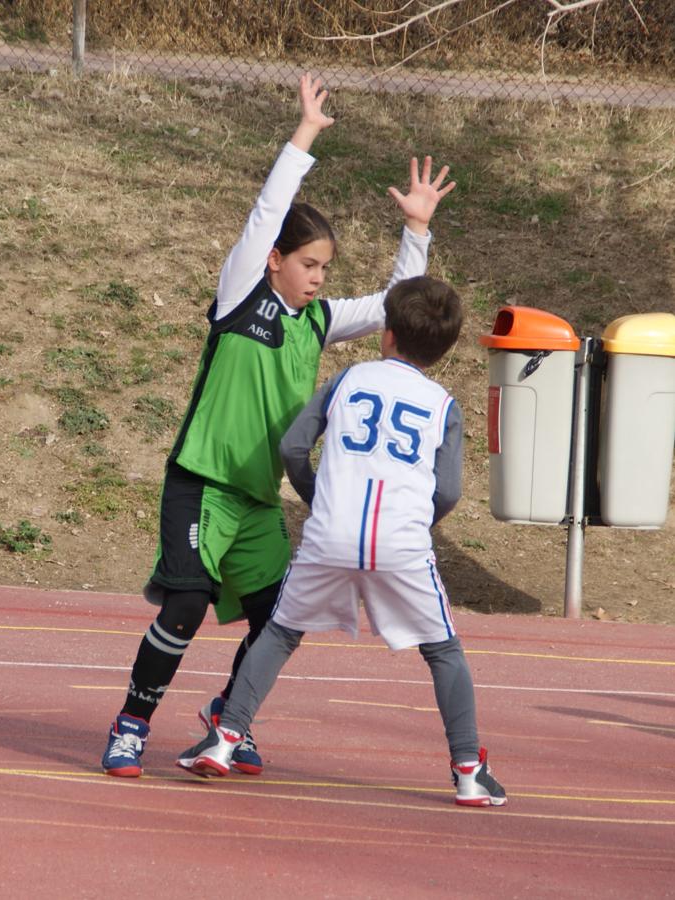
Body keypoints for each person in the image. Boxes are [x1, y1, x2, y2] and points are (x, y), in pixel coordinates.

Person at [102, 73, 456, 779]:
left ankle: (227, 717)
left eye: (326, 267)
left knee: (276, 621)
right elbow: (268, 213)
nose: (319, 277)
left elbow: (395, 305)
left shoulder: (318, 322)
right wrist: (304, 137)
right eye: (309, 264)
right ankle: (130, 725)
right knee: (186, 604)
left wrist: (415, 228)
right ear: (274, 262)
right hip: (202, 484)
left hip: (259, 501)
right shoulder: (240, 296)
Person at [176, 275, 508, 807]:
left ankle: (224, 738)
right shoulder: (444, 404)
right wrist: (419, 522)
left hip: (331, 534)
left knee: (282, 634)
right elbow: (447, 490)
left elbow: (293, 447)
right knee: (442, 649)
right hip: (400, 541)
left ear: (387, 332)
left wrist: (319, 495)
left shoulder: (349, 378)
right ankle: (468, 768)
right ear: (443, 349)